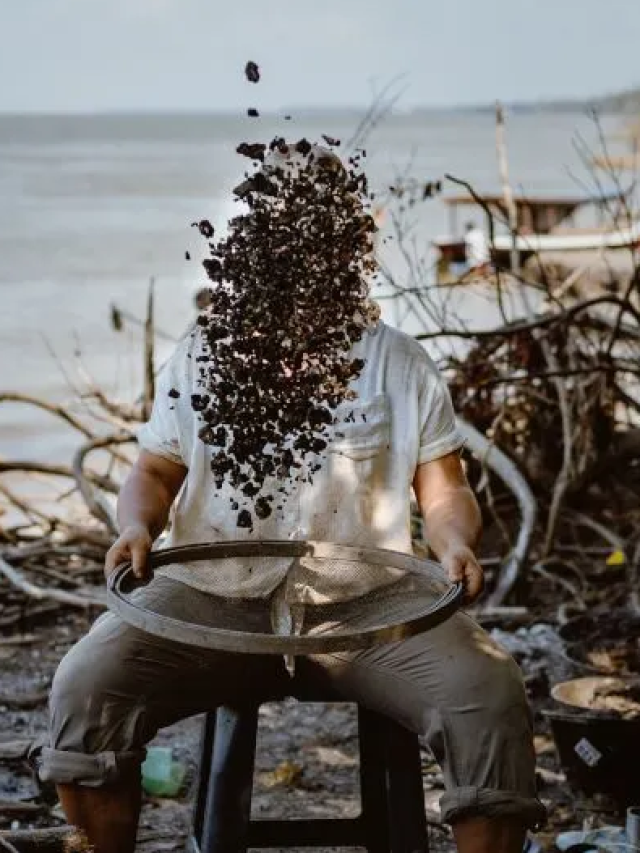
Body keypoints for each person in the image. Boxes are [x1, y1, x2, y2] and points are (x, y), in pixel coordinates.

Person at [38, 145, 545, 853]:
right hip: (209, 601)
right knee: (85, 687)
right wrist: (135, 526)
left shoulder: (397, 362)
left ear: (345, 251)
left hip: (370, 608)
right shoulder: (203, 354)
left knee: (489, 694)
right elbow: (153, 473)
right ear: (253, 251)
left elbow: (445, 485)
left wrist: (455, 541)